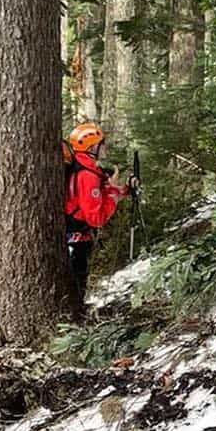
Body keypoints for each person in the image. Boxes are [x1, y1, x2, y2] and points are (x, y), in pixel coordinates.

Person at [63, 121, 134, 306]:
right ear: (92, 146)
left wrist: (125, 189)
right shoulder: (88, 176)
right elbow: (96, 218)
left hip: (74, 235)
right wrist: (113, 194)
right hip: (76, 238)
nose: (105, 147)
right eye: (102, 143)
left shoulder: (87, 167)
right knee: (76, 284)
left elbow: (101, 195)